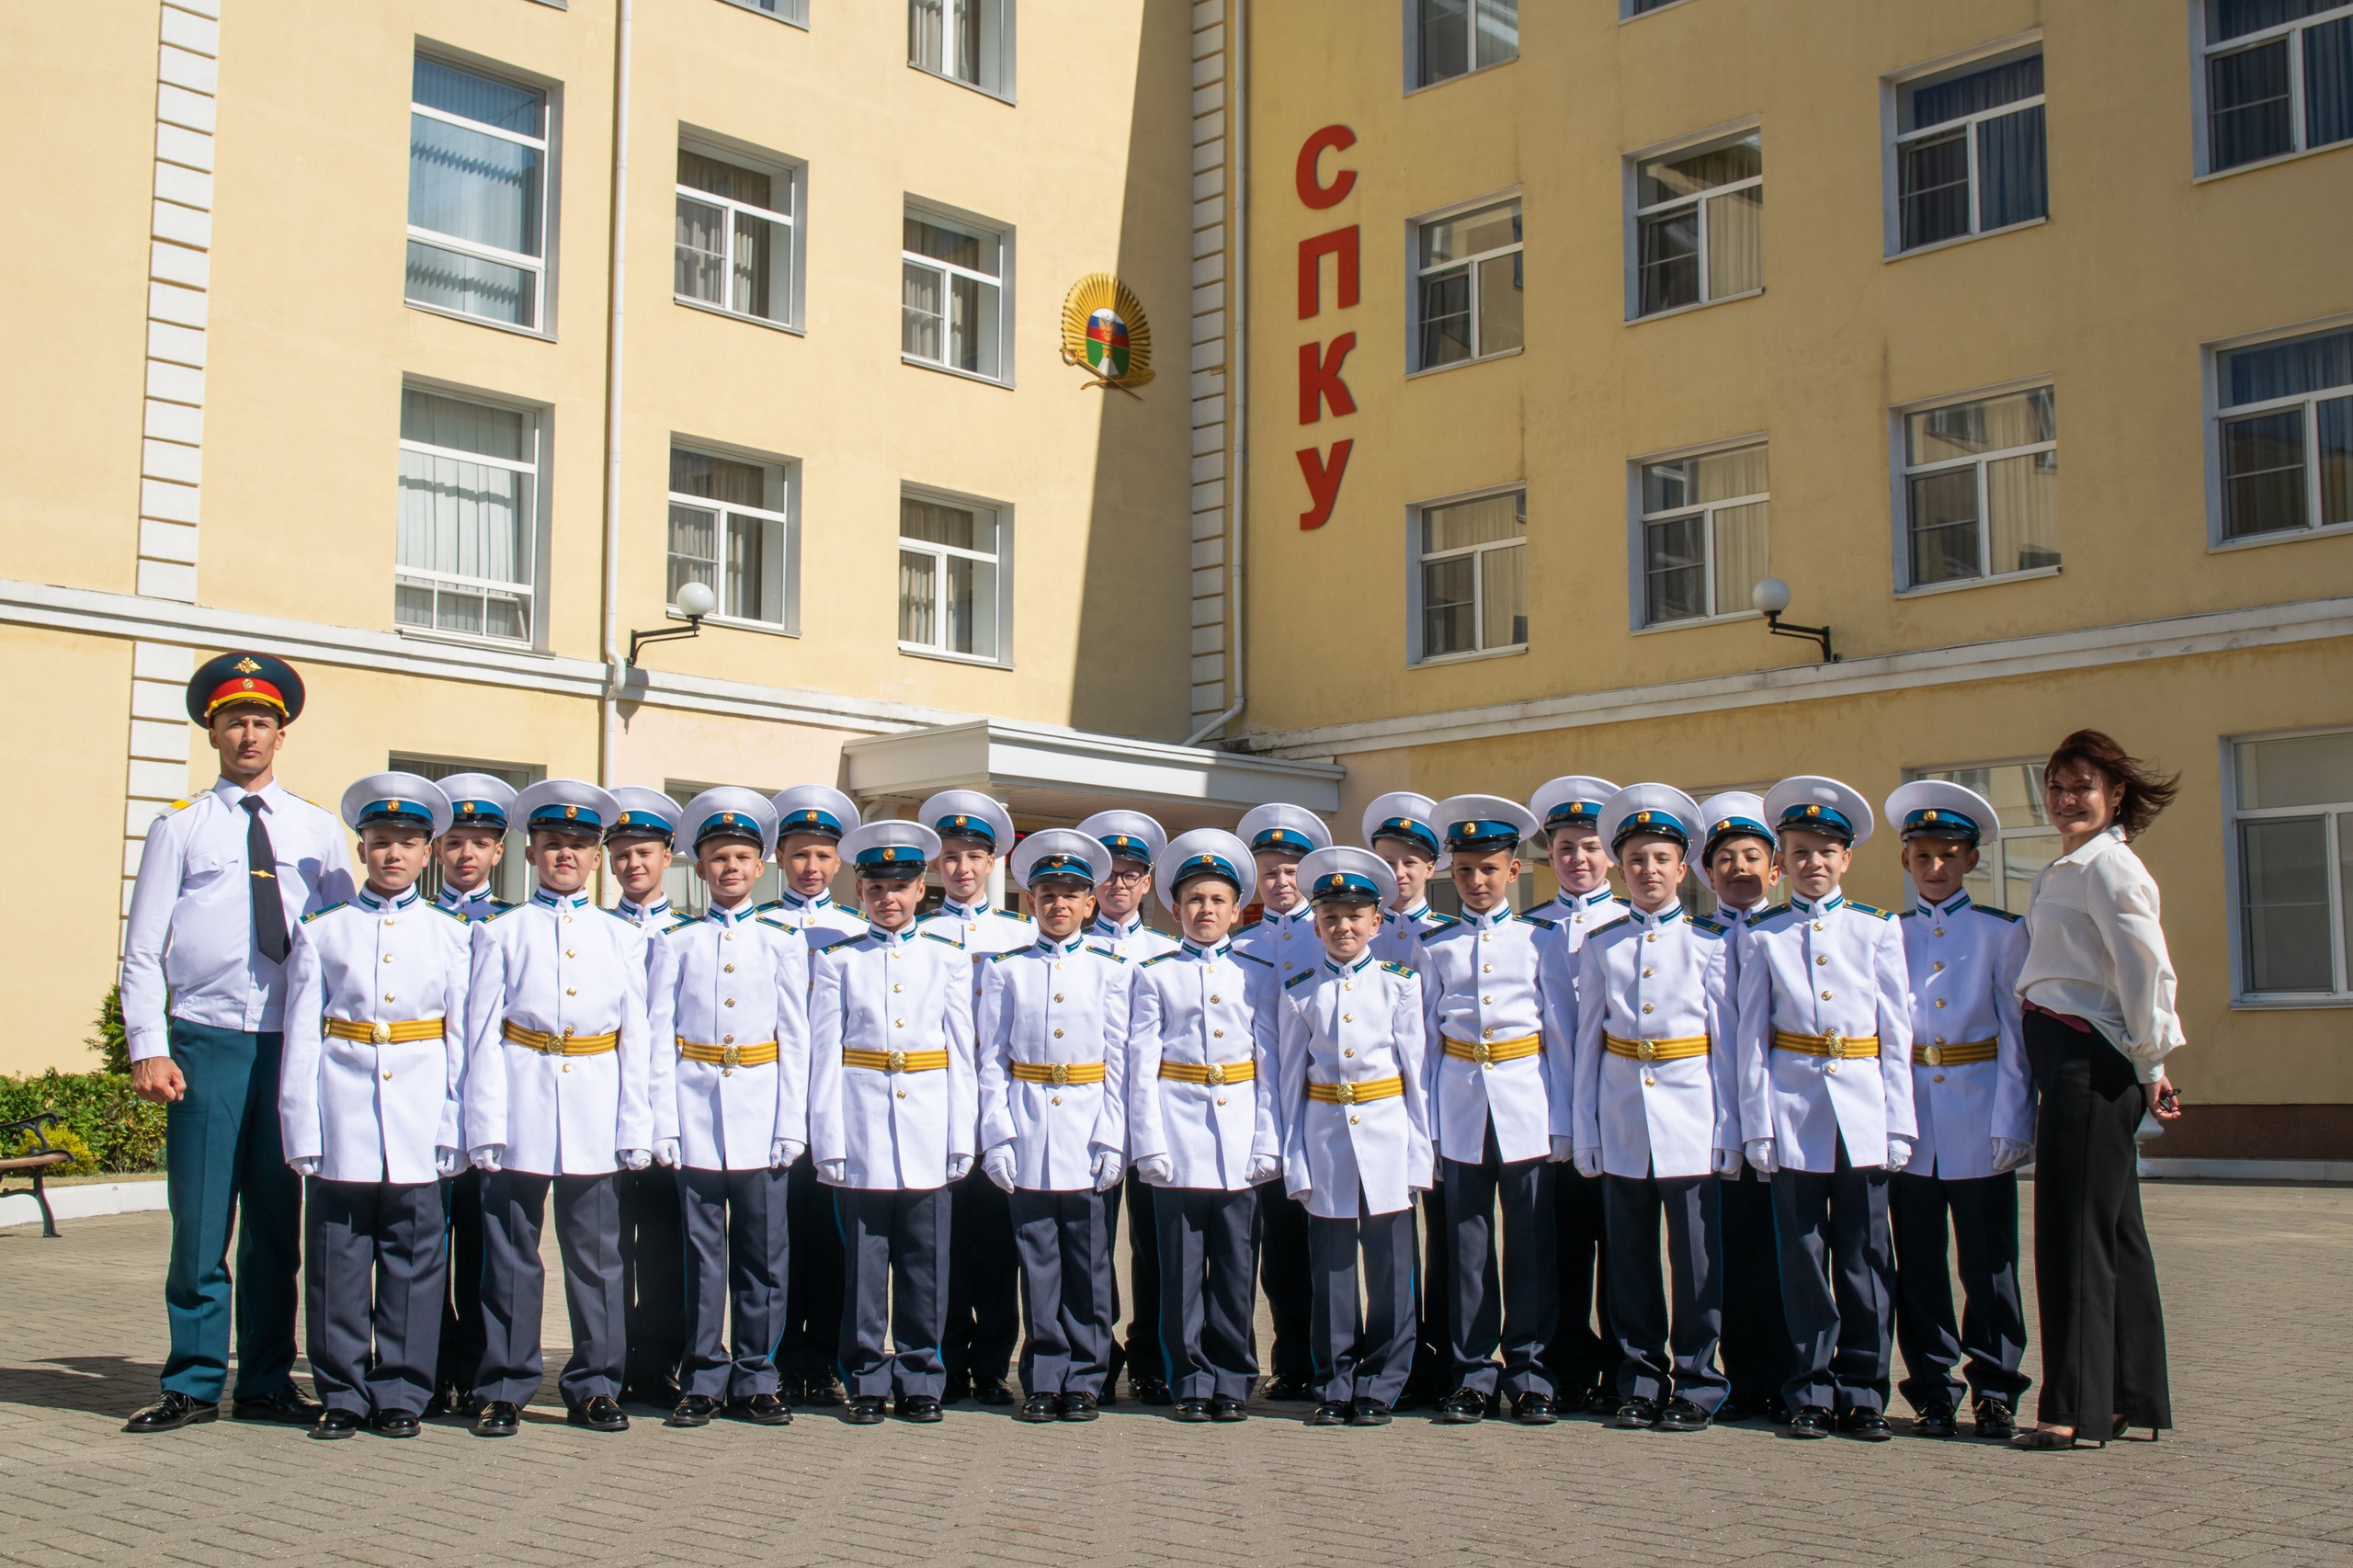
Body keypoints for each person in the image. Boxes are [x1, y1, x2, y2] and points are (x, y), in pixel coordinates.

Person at [123, 653, 352, 1435]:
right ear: (213, 731)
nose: (247, 734)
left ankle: (263, 1380)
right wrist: (148, 1045)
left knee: (272, 1228)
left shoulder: (318, 829)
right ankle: (191, 1380)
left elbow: (344, 943)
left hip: (289, 1047)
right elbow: (142, 947)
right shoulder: (180, 826)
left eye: (262, 722)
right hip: (206, 1041)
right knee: (199, 1225)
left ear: (281, 735)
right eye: (234, 721)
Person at [461, 780, 655, 1437]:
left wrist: (635, 1124)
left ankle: (596, 1384)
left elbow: (638, 1038)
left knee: (598, 1258)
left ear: (597, 857)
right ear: (531, 852)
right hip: (521, 1100)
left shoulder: (622, 936)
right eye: (552, 845)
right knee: (512, 1254)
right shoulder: (500, 930)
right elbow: (483, 1032)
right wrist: (484, 1121)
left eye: (577, 846)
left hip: (596, 1104)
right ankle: (506, 1385)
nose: (564, 856)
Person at [278, 773, 469, 1439]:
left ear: (428, 853)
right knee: (337, 1262)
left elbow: (462, 1042)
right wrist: (301, 1127)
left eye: (408, 843)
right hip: (344, 1116)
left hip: (419, 1117)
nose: (394, 854)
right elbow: (302, 1037)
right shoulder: (325, 932)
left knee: (417, 1264)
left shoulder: (452, 934)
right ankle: (342, 1392)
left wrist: (455, 1124)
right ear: (361, 850)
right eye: (381, 842)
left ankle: (402, 1393)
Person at [2012, 731, 2181, 1449]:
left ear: (2114, 795)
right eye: (2055, 786)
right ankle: (2128, 1395)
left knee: (2072, 1235)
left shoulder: (2109, 868)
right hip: (2070, 1055)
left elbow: (2146, 969)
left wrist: (2152, 1062)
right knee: (2114, 1232)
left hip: (2091, 1058)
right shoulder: (2065, 868)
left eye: (2081, 786)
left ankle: (2069, 1409)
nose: (2065, 800)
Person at [1735, 776, 1915, 1441]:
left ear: (1847, 859)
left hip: (1863, 1108)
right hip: (1794, 1109)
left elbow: (1897, 1035)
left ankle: (1864, 1388)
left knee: (1866, 1254)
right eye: (1801, 851)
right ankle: (1808, 1386)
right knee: (1803, 1255)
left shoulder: (1877, 930)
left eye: (1826, 851)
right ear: (1781, 862)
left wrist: (1900, 1122)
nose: (1814, 863)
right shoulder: (1763, 935)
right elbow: (1751, 1039)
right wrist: (1758, 1124)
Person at [1572, 786, 1737, 1433]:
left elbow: (1726, 1046)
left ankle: (1698, 1379)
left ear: (1681, 867)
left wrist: (1729, 1128)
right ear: (1621, 866)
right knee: (1631, 1257)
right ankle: (1639, 1377)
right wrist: (1586, 1128)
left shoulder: (1711, 943)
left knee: (1695, 1260)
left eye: (1661, 859)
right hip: (1621, 1118)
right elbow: (1589, 1041)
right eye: (1636, 859)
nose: (1648, 871)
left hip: (1691, 1115)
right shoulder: (1603, 944)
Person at [807, 820, 979, 1425]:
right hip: (861, 1128)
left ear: (920, 886)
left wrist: (964, 1136)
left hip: (929, 1125)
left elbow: (963, 1054)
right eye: (877, 887)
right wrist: (826, 1139)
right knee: (864, 1263)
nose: (888, 899)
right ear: (860, 890)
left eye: (900, 886)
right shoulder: (837, 962)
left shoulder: (948, 959)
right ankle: (865, 1379)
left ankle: (921, 1375)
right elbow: (823, 1056)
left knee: (924, 1263)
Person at [645, 789, 806, 1429]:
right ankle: (704, 1374)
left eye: (742, 857)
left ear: (761, 866)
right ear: (700, 867)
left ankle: (758, 1375)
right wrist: (665, 1122)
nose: (730, 868)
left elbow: (796, 1040)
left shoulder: (782, 941)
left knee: (765, 1253)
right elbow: (659, 1038)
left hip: (762, 1111)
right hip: (696, 1110)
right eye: (718, 858)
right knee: (703, 1253)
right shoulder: (675, 940)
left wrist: (791, 1123)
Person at [1880, 779, 2034, 1441]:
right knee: (1918, 1263)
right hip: (1913, 1115)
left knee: (1988, 1264)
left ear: (1970, 859)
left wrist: (2014, 1120)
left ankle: (1995, 1386)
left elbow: (2016, 1039)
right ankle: (1932, 1387)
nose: (1934, 868)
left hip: (1976, 1112)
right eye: (1922, 857)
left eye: (1948, 855)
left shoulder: (2002, 933)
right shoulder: (1888, 933)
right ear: (1905, 862)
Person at [1419, 794, 1568, 1426]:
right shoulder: (1436, 946)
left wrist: (1564, 1121)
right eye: (1464, 872)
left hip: (1525, 1101)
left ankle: (1532, 1372)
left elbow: (1561, 1036)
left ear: (1514, 871)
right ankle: (1473, 1370)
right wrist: (1425, 1128)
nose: (1476, 883)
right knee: (1468, 1245)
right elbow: (1425, 1043)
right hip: (1459, 1104)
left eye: (1489, 870)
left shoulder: (1542, 940)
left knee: (1531, 1242)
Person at [1127, 829, 1281, 1422]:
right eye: (1194, 900)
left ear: (1238, 909)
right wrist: (1150, 1143)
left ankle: (1234, 1376)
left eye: (1217, 900)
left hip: (1240, 1130)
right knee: (1181, 1270)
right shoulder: (1156, 973)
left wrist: (1267, 1138)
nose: (1206, 910)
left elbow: (1269, 1065)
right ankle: (1189, 1377)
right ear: (1174, 906)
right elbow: (1141, 1067)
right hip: (1179, 1128)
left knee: (1238, 1269)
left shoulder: (1257, 972)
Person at [977, 830, 1131, 1422]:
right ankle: (1044, 1374)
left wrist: (1113, 1134)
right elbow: (990, 1059)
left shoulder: (1112, 970)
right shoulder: (1006, 970)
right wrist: (998, 1134)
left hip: (1088, 1123)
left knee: (1090, 1262)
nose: (1058, 905)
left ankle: (1089, 1376)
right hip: (1030, 1122)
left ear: (1090, 903)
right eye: (1046, 893)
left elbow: (1121, 1062)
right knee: (1038, 1258)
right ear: (1030, 901)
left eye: (1071, 894)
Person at [1279, 846, 1434, 1427]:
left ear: (1376, 921)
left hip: (1389, 1135)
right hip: (1326, 1139)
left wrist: (1422, 1155)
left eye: (1355, 916)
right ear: (1315, 923)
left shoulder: (1401, 987)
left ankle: (1384, 1382)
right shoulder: (1299, 990)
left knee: (1393, 1269)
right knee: (1334, 1269)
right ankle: (1335, 1380)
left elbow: (1416, 1080)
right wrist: (1295, 1160)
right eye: (1331, 917)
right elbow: (1290, 1085)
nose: (1343, 926)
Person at [917, 788, 1030, 1407]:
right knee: (944, 1247)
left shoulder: (1019, 932)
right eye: (951, 858)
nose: (962, 868)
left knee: (999, 1249)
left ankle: (991, 1366)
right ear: (937, 867)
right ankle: (944, 1363)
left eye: (974, 857)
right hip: (939, 1105)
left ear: (994, 863)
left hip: (1006, 1103)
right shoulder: (922, 932)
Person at [763, 783, 866, 1410]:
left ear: (839, 864)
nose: (811, 868)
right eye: (800, 854)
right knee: (773, 1240)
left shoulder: (853, 931)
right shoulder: (761, 927)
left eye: (823, 857)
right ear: (779, 858)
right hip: (771, 1099)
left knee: (831, 1241)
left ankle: (823, 1357)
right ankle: (771, 1358)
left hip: (833, 1105)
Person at [1074, 808, 1179, 1406]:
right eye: (1108, 873)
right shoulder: (1068, 955)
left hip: (1158, 1121)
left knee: (1156, 1243)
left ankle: (1154, 1357)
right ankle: (1094, 1357)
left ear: (1146, 882)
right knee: (1091, 1242)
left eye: (1129, 873)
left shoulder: (1168, 953)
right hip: (1090, 1120)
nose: (1118, 884)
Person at [1525, 774, 1621, 1415]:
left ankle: (1626, 1369)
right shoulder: (1528, 931)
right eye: (1565, 849)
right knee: (1556, 1251)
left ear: (1610, 853)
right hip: (1551, 1114)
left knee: (1624, 1252)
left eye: (1589, 846)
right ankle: (1563, 1365)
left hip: (1622, 1111)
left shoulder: (1630, 920)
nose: (1578, 859)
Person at [1694, 790, 1790, 1425]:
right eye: (1724, 858)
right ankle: (1742, 1375)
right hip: (1710, 1121)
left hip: (1785, 1118)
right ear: (1706, 873)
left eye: (1751, 856)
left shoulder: (1788, 936)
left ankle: (1791, 1376)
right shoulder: (1695, 938)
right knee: (1728, 1254)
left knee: (1788, 1253)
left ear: (1775, 869)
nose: (1738, 869)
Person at [1233, 801, 1333, 1403]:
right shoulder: (1241, 944)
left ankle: (1333, 1359)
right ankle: (1291, 1358)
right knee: (1281, 1247)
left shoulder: (1332, 932)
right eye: (1269, 872)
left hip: (1324, 1106)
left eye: (1291, 869)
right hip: (1262, 1112)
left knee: (1332, 1241)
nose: (1281, 882)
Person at [1359, 790, 1457, 1408]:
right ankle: (1389, 1352)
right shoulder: (1355, 929)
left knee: (1447, 1245)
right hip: (1374, 1111)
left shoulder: (1444, 936)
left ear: (1430, 869)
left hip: (1445, 1106)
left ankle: (1442, 1355)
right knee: (1386, 1243)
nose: (1399, 872)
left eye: (1410, 862)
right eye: (1388, 860)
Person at [605, 785, 691, 1408]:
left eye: (644, 852)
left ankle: (659, 1363)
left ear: (668, 855)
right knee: (606, 1247)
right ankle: (608, 1362)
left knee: (664, 1248)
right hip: (602, 1109)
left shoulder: (690, 934)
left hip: (668, 1112)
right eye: (622, 854)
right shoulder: (595, 930)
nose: (632, 864)